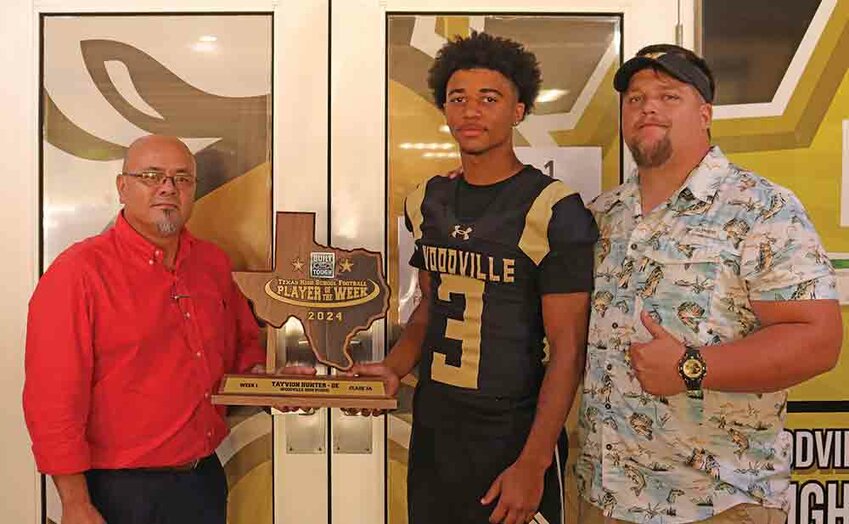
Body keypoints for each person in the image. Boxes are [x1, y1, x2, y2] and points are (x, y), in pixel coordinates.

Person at [575, 44, 843, 523]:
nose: (647, 107)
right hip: (606, 497)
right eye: (635, 98)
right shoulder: (604, 214)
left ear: (705, 113)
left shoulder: (761, 207)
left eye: (668, 95)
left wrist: (693, 367)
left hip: (718, 501)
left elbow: (818, 340)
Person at [350, 32, 598, 524]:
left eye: (490, 98)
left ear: (519, 110)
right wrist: (394, 367)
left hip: (513, 431)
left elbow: (569, 350)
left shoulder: (553, 207)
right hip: (438, 427)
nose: (471, 111)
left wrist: (533, 463)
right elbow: (429, 308)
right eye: (458, 98)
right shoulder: (427, 200)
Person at [23, 135, 312, 524]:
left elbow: (241, 350)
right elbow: (52, 400)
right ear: (122, 187)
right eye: (151, 176)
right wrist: (75, 501)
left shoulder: (212, 264)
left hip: (203, 481)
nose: (167, 188)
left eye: (181, 179)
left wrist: (272, 384)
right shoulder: (78, 273)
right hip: (117, 493)